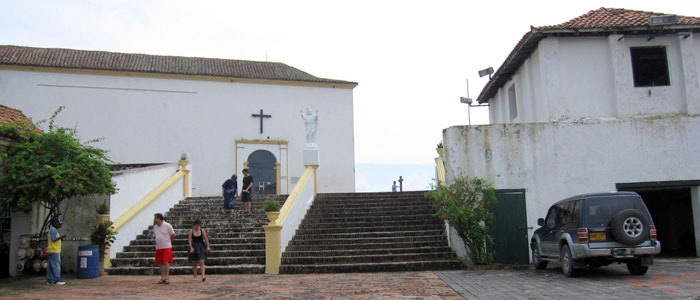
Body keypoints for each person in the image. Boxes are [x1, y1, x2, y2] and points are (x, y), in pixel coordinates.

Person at [153, 213, 175, 284]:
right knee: (160, 263)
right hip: (159, 247)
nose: (154, 219)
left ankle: (167, 277)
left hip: (166, 246)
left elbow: (172, 234)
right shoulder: (155, 227)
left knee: (166, 261)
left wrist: (170, 242)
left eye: (155, 218)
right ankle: (162, 277)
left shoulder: (167, 225)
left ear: (159, 218)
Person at [46, 216, 67, 285]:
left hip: (51, 250)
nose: (60, 225)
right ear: (55, 223)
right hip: (54, 250)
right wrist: (61, 237)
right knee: (56, 265)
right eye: (59, 223)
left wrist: (60, 238)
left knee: (50, 266)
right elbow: (53, 239)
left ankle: (49, 280)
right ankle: (56, 280)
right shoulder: (53, 230)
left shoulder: (52, 230)